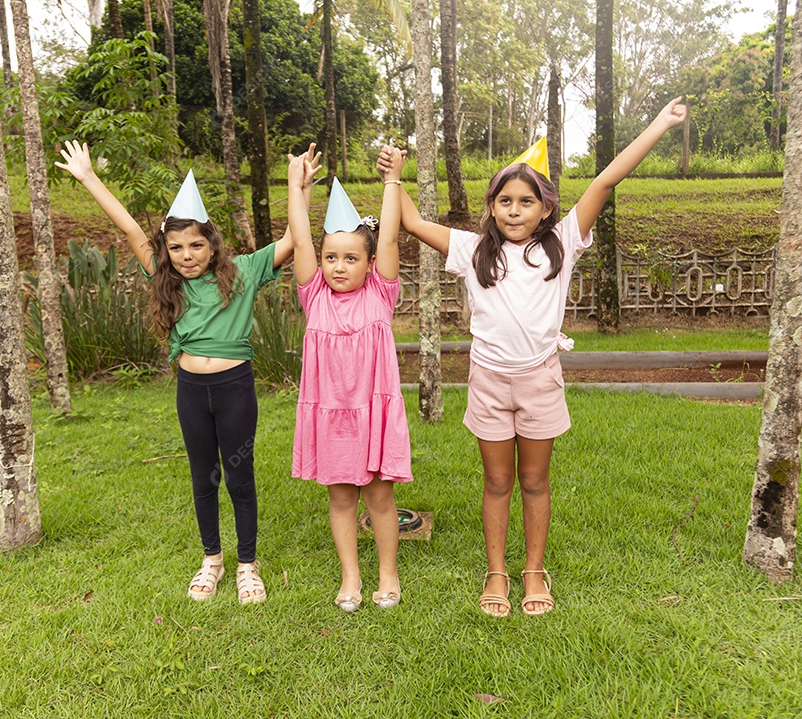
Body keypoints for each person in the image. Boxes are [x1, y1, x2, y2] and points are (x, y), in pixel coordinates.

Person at [381, 99, 688, 617]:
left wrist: (659, 124)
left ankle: (533, 571)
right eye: (504, 200)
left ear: (546, 209)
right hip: (489, 383)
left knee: (534, 481)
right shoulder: (472, 249)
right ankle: (496, 572)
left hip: (540, 380)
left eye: (526, 201)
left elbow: (606, 181)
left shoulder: (562, 243)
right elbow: (409, 221)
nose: (514, 210)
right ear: (492, 205)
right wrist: (393, 177)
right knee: (497, 482)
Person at [56, 140, 321, 605]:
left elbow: (293, 239)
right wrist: (88, 177)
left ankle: (247, 564)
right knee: (204, 477)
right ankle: (212, 559)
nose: (186, 255)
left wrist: (300, 188)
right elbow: (128, 226)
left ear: (212, 245)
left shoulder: (242, 272)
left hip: (235, 388)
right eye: (176, 247)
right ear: (166, 250)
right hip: (192, 390)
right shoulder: (166, 278)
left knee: (239, 478)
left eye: (196, 245)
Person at [286, 147, 412, 611]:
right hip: (333, 418)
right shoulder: (314, 295)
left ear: (370, 262)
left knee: (380, 499)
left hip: (373, 415)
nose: (339, 266)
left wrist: (392, 181)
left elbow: (391, 237)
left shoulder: (381, 293)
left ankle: (388, 574)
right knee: (341, 500)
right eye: (331, 257)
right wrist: (296, 186)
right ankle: (351, 577)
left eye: (351, 258)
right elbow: (300, 240)